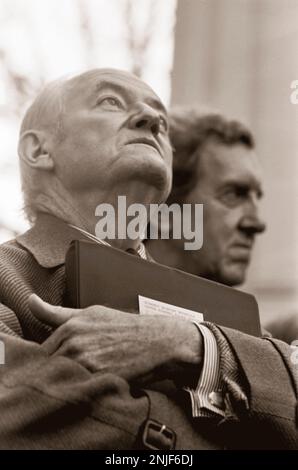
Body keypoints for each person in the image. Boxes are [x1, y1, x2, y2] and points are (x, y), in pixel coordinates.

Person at [0, 69, 296, 450]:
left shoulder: (224, 315)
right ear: (39, 150)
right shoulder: (7, 276)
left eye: (163, 119)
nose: (152, 119)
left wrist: (191, 344)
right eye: (110, 101)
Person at [147, 108, 266, 286]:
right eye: (233, 194)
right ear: (162, 212)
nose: (256, 224)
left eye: (257, 197)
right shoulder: (99, 306)